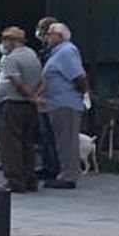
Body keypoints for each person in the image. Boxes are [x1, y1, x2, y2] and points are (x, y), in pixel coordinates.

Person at [0, 26, 43, 192]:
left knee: (11, 143)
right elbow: (42, 78)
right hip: (28, 107)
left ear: (12, 41)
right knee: (26, 142)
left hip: (13, 103)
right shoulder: (32, 55)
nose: (3, 44)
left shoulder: (11, 59)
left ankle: (15, 180)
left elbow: (17, 81)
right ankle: (30, 178)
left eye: (5, 40)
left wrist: (29, 95)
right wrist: (35, 96)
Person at [40, 21, 87, 189]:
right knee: (62, 141)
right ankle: (65, 172)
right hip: (57, 103)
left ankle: (68, 176)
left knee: (66, 141)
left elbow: (79, 78)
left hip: (65, 104)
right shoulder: (57, 53)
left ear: (59, 36)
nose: (46, 37)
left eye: (49, 34)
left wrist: (77, 93)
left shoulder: (67, 52)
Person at [33, 15, 60, 180]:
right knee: (44, 133)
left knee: (52, 133)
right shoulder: (44, 51)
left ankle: (54, 167)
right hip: (42, 96)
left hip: (52, 96)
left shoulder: (57, 51)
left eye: (41, 29)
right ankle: (47, 165)